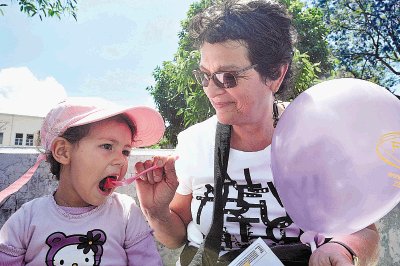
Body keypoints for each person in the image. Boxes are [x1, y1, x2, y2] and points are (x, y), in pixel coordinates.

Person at [134, 0, 380, 265]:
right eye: (205, 75)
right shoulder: (195, 143)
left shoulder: (317, 137)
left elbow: (364, 228)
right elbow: (176, 236)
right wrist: (156, 211)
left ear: (275, 73)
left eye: (228, 76)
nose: (212, 90)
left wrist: (342, 249)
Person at [0, 97, 165, 265]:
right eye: (107, 146)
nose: (121, 161)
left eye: (126, 151)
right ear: (63, 151)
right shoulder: (27, 219)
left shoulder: (126, 213)